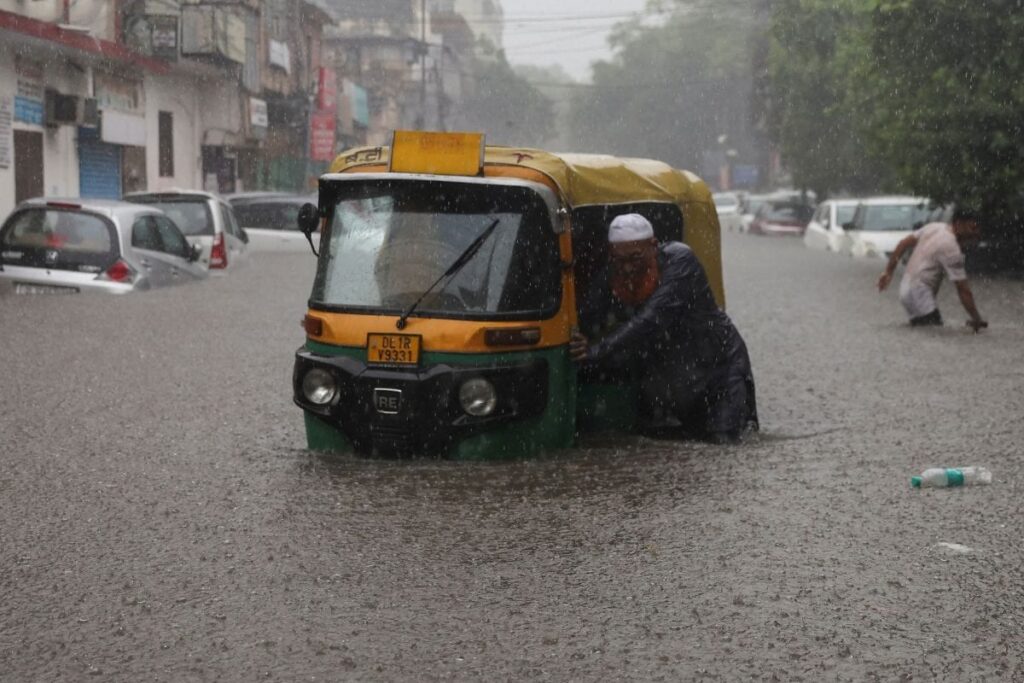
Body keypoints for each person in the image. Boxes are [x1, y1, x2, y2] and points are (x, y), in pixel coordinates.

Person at [570, 213, 758, 443]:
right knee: (669, 441)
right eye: (620, 260)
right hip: (675, 373)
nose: (627, 268)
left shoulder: (680, 261)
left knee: (725, 440)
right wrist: (577, 340)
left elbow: (650, 320)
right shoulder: (611, 275)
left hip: (719, 366)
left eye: (635, 258)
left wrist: (595, 351)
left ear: (653, 246)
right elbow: (585, 315)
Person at [877, 208, 987, 330]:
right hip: (919, 294)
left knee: (923, 330)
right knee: (933, 331)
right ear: (958, 224)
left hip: (906, 289)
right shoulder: (951, 248)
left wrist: (888, 272)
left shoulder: (935, 227)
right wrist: (977, 318)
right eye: (972, 228)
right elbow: (963, 289)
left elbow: (903, 243)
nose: (976, 233)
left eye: (978, 229)